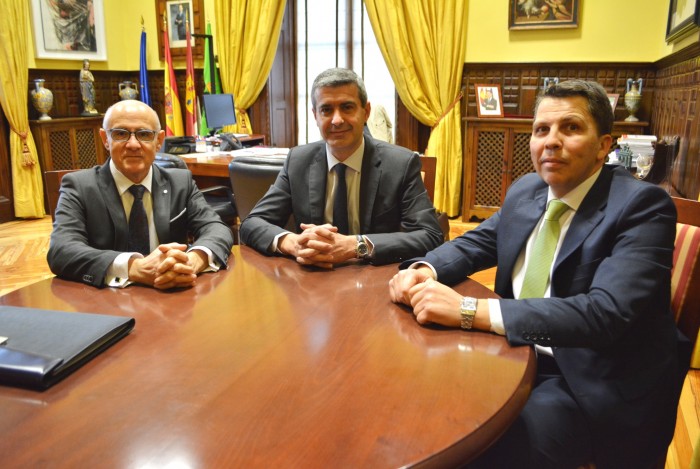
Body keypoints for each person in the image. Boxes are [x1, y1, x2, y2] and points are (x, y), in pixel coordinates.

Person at [389, 80, 686, 468]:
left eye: (571, 128)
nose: (551, 141)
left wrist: (468, 310)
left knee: (487, 446)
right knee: (413, 403)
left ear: (603, 146)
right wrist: (423, 269)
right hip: (509, 352)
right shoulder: (528, 189)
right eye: (541, 130)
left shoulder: (643, 206)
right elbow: (476, 243)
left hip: (585, 378)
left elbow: (605, 313)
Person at [239, 68, 443, 267]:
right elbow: (252, 223)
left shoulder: (400, 164)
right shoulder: (298, 161)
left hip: (376, 280)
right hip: (312, 281)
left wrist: (357, 245)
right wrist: (293, 244)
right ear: (315, 116)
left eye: (347, 107)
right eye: (326, 110)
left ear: (366, 112)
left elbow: (430, 235)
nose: (337, 120)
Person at [47, 100, 234, 290]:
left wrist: (191, 261)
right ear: (105, 138)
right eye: (121, 134)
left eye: (144, 135)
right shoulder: (79, 186)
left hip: (174, 297)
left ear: (159, 140)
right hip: (108, 301)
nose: (133, 144)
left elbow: (216, 228)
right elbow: (62, 250)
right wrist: (134, 267)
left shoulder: (180, 182)